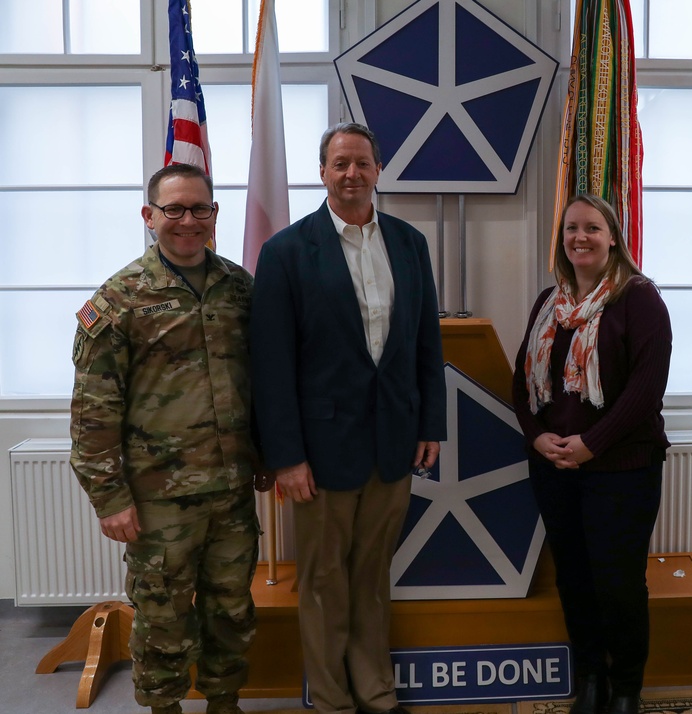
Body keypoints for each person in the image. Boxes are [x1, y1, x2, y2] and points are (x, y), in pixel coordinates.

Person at [249, 122, 447, 714]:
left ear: (378, 170)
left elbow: (424, 346)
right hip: (318, 453)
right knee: (322, 583)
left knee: (371, 578)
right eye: (340, 164)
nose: (352, 174)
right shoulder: (286, 252)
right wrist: (285, 457)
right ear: (323, 172)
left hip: (394, 444)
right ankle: (332, 700)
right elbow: (271, 366)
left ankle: (375, 689)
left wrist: (430, 424)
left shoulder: (410, 244)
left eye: (362, 163)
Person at [70, 163, 265, 714]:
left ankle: (225, 703)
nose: (187, 221)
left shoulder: (240, 289)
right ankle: (164, 708)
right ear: (149, 216)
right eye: (173, 209)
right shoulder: (119, 299)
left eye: (199, 208)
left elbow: (262, 381)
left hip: (230, 490)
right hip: (158, 501)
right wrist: (110, 498)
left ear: (214, 215)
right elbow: (93, 411)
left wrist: (268, 456)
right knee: (162, 618)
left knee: (231, 609)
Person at [512, 194, 672, 714]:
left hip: (621, 470)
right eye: (571, 229)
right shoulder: (548, 303)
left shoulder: (640, 299)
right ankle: (591, 679)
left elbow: (645, 392)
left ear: (613, 237)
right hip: (555, 468)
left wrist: (591, 444)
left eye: (592, 228)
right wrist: (538, 437)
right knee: (575, 579)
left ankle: (626, 686)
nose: (580, 237)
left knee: (618, 583)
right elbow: (522, 384)